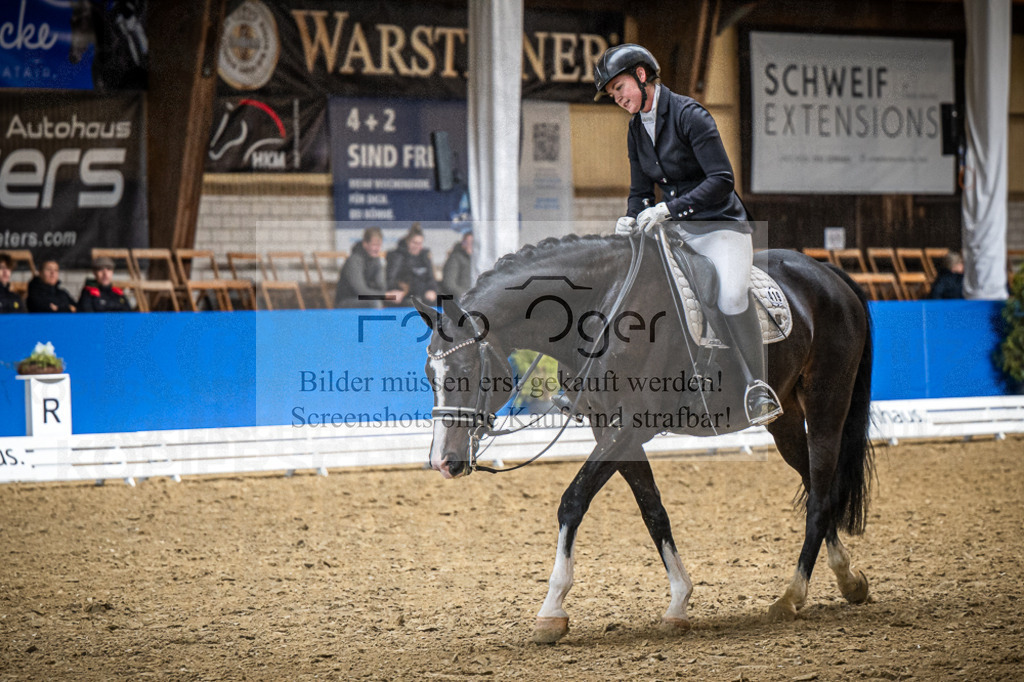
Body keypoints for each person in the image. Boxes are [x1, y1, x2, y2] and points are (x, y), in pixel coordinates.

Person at [595, 43, 781, 425]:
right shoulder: (635, 130)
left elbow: (722, 179)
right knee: (645, 289)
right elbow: (640, 191)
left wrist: (668, 208)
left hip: (721, 226)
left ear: (641, 76)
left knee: (729, 295)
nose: (616, 98)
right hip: (677, 231)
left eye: (619, 88)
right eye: (612, 93)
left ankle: (758, 386)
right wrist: (630, 217)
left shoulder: (690, 115)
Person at [334, 227, 405, 308]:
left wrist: (394, 294)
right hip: (347, 301)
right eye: (374, 245)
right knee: (374, 303)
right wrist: (388, 296)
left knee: (404, 301)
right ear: (365, 244)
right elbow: (361, 292)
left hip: (367, 298)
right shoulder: (354, 261)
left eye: (379, 245)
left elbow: (382, 287)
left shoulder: (375, 260)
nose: (377, 249)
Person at [387, 224, 438, 305]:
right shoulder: (398, 256)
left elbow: (431, 278)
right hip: (405, 295)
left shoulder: (424, 256)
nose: (417, 246)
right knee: (412, 303)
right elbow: (390, 279)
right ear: (408, 242)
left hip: (423, 294)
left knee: (439, 301)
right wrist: (398, 290)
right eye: (414, 243)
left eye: (420, 243)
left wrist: (432, 290)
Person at [441, 230, 474, 300]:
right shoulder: (455, 258)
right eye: (467, 242)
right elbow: (449, 283)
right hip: (460, 299)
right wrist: (465, 294)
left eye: (472, 243)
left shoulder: (478, 260)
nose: (470, 245)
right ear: (463, 243)